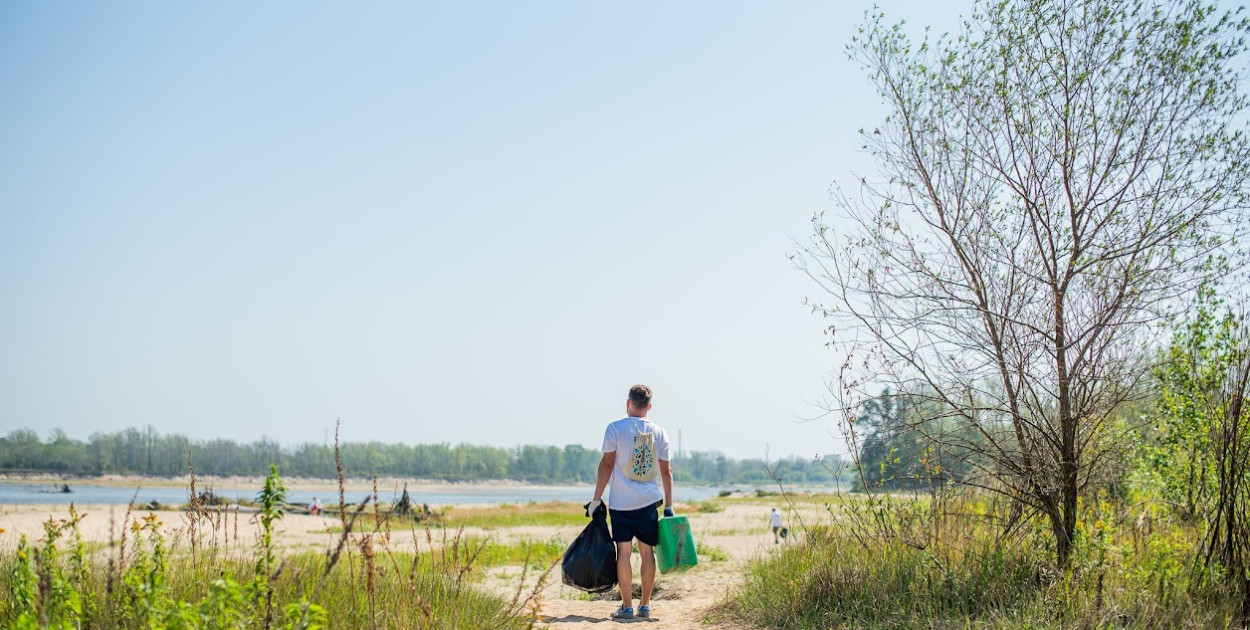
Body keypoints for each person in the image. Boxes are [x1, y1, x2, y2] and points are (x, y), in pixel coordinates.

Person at [589, 384, 674, 621]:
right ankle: (645, 605)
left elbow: (606, 465)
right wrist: (669, 505)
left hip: (621, 504)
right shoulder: (659, 432)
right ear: (649, 407)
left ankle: (626, 607)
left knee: (623, 553)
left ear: (628, 404)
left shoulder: (615, 428)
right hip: (648, 503)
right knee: (647, 553)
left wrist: (596, 499)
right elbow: (666, 471)